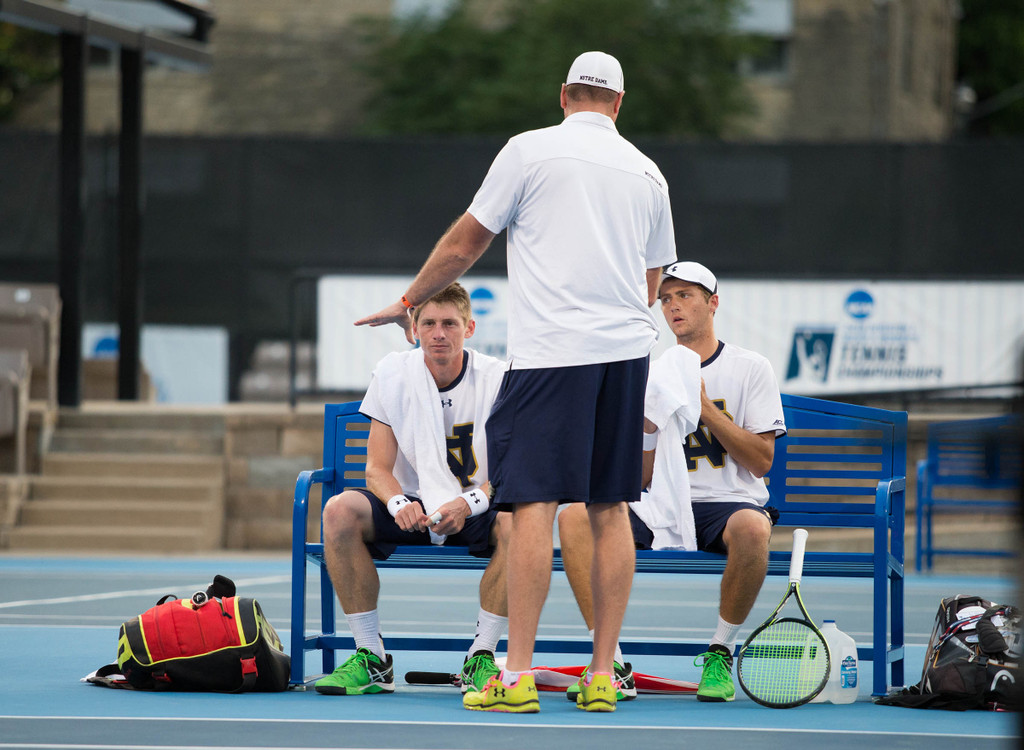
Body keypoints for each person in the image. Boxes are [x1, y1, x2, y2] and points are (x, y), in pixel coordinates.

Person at [355, 51, 677, 713]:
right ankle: (600, 676)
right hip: (626, 355)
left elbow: (466, 243)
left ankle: (517, 675)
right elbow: (652, 285)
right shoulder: (649, 173)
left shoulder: (528, 151)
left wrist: (411, 300)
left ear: (563, 95)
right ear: (619, 104)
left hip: (552, 353)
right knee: (610, 508)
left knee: (531, 507)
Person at [557, 261, 787, 703]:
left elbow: (761, 463)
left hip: (728, 502)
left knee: (755, 530)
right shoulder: (650, 371)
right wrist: (647, 428)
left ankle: (720, 652)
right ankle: (610, 662)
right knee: (573, 520)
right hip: (661, 503)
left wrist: (706, 410)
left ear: (713, 303)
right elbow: (640, 478)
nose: (673, 306)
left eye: (685, 295)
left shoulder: (750, 366)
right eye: (666, 298)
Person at [315, 282, 510, 697]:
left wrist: (469, 502)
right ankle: (370, 657)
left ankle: (482, 655)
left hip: (475, 503)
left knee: (521, 523)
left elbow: (516, 469)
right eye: (429, 323)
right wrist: (398, 500)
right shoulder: (394, 374)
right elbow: (376, 469)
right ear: (414, 329)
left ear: (470, 328)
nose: (439, 333)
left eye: (450, 323)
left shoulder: (498, 379)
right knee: (338, 510)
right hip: (413, 508)